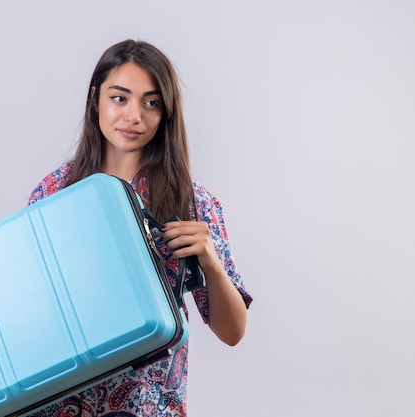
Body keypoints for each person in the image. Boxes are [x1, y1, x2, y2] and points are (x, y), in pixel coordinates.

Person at [27, 39, 252, 417]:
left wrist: (211, 263)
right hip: (56, 402)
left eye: (151, 103)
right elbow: (28, 307)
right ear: (95, 98)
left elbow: (232, 333)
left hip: (148, 406)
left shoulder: (191, 203)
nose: (133, 116)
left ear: (166, 113)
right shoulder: (53, 192)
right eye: (120, 98)